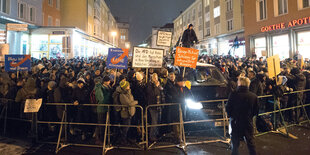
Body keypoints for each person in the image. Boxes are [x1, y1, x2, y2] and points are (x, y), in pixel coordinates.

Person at [226, 77, 258, 155]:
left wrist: (231, 115)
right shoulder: (253, 96)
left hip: (236, 121)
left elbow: (228, 107)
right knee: (250, 141)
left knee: (235, 142)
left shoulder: (233, 94)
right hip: (247, 121)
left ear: (239, 84)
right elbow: (256, 111)